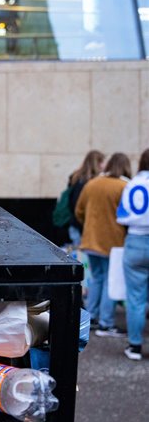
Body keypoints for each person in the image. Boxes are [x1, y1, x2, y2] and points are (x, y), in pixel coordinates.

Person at [75, 153, 132, 337]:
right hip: (113, 242)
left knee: (97, 279)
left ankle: (90, 319)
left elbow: (79, 210)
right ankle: (106, 323)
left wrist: (89, 226)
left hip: (91, 239)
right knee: (109, 280)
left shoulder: (92, 184)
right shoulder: (124, 186)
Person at [116, 149, 149, 360]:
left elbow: (122, 216)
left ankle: (135, 345)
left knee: (135, 299)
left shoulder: (132, 184)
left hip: (135, 241)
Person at [67, 150, 106, 247]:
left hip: (76, 226)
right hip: (83, 227)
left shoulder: (77, 178)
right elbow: (78, 206)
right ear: (96, 163)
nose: (104, 166)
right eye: (102, 162)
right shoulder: (88, 182)